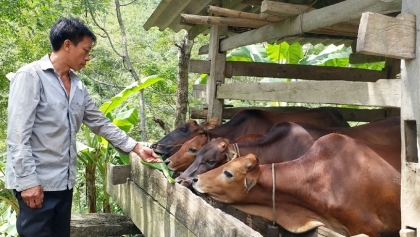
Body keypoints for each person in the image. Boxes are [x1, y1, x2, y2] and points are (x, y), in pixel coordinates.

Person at [6, 17, 161, 237]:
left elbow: (99, 122)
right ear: (67, 44)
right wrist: (28, 182)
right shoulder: (31, 76)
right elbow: (17, 136)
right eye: (85, 50)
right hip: (37, 185)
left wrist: (135, 147)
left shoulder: (77, 85)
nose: (87, 57)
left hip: (64, 183)